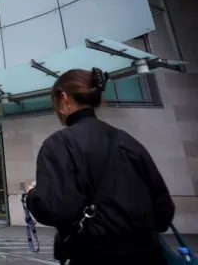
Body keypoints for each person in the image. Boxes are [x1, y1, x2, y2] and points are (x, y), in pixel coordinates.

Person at [25, 68, 175, 265]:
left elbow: (56, 210)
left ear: (64, 98)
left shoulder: (59, 144)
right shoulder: (128, 142)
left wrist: (32, 196)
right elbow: (163, 211)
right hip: (149, 255)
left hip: (93, 255)